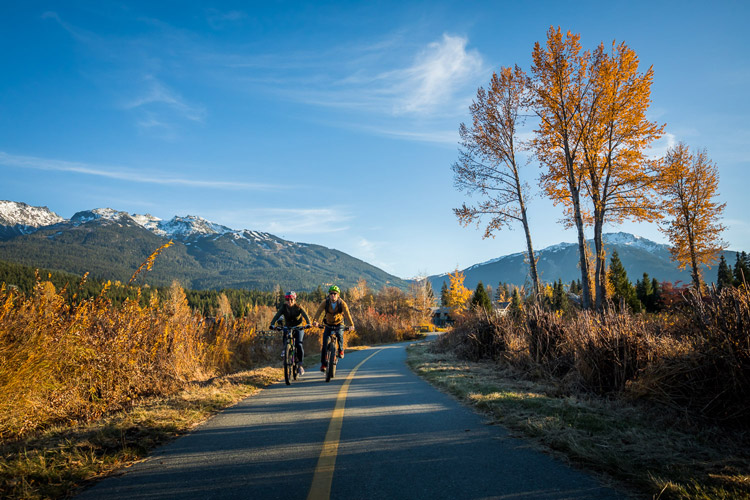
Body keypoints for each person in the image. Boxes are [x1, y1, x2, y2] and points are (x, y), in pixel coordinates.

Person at [312, 285, 355, 372]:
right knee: (324, 345)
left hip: (339, 323)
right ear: (329, 294)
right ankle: (323, 364)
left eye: (335, 294)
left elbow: (347, 314)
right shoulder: (325, 302)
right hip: (328, 324)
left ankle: (341, 350)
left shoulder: (342, 303)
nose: (333, 295)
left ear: (338, 295)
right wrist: (315, 321)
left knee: (339, 334)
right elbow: (318, 311)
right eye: (331, 293)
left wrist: (351, 324)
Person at [269, 291, 311, 375]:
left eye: (291, 299)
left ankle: (300, 365)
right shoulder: (284, 308)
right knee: (285, 334)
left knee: (299, 344)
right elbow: (276, 316)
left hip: (298, 327)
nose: (290, 301)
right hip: (288, 327)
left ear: (294, 300)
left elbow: (305, 315)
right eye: (288, 299)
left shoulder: (299, 307)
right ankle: (285, 349)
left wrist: (308, 323)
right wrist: (272, 324)